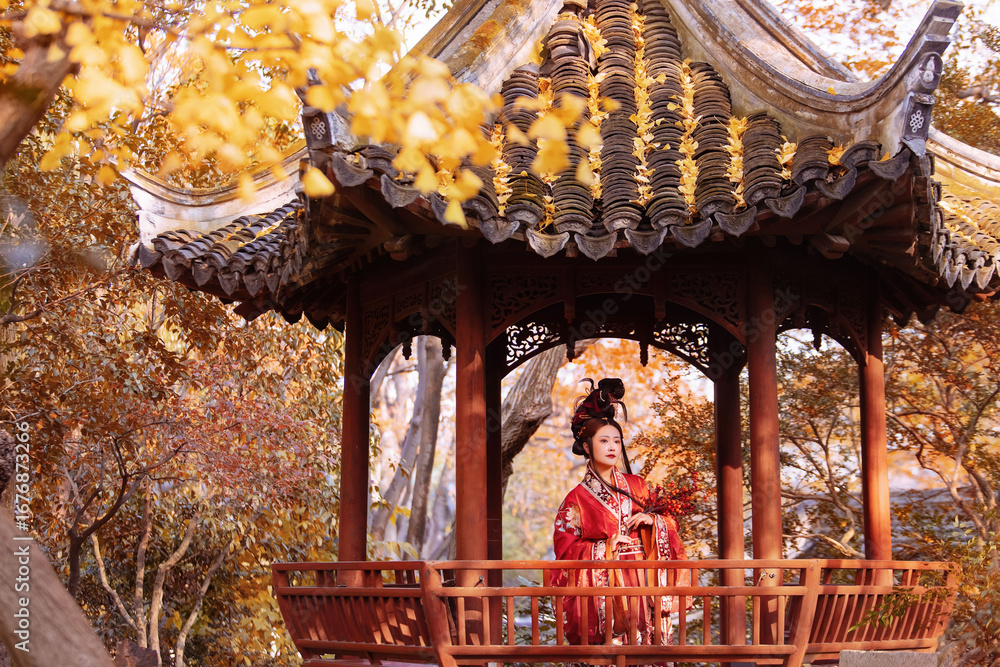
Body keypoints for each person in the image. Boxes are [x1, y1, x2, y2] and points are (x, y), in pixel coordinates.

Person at [551, 378, 688, 648]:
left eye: (616, 440)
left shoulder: (637, 486)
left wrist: (654, 521)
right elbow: (565, 551)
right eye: (604, 440)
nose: (612, 446)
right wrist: (604, 547)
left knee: (647, 649)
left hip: (644, 579)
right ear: (587, 446)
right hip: (607, 583)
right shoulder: (575, 499)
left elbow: (671, 525)